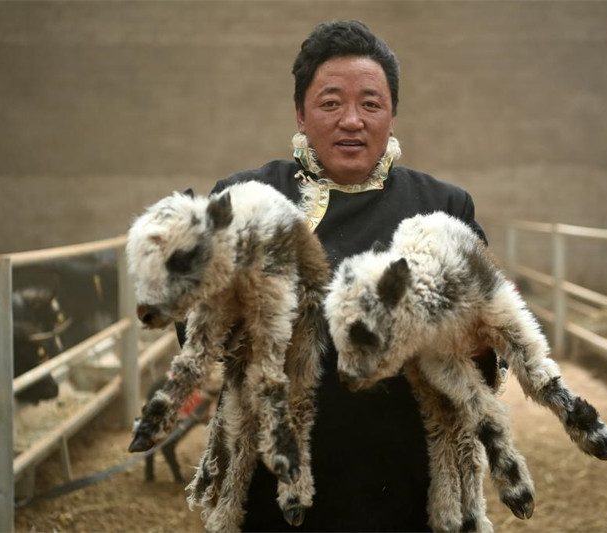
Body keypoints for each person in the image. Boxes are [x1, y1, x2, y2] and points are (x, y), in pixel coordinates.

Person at [180, 20, 496, 531]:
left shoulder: (443, 206)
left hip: (408, 479)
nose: (352, 120)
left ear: (392, 115)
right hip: (275, 478)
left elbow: (483, 357)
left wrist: (481, 330)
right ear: (300, 114)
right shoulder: (248, 198)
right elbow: (194, 326)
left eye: (371, 104)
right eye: (330, 103)